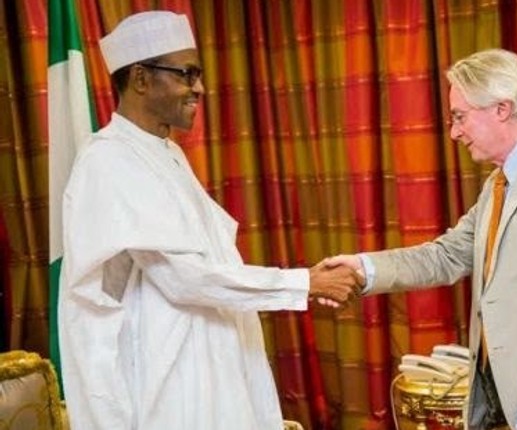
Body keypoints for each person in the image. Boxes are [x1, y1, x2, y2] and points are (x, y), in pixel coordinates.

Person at [58, 11, 359, 430]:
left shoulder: (166, 153)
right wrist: (304, 282)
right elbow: (183, 277)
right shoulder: (107, 160)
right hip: (165, 377)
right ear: (141, 79)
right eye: (186, 74)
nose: (198, 88)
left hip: (211, 359)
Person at [327, 49, 517, 430]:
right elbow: (447, 255)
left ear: (502, 108)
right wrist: (363, 268)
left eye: (460, 117)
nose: (454, 132)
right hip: (510, 396)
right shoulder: (498, 183)